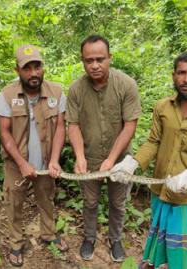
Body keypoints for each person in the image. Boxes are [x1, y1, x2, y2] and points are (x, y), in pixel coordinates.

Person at [111, 51, 187, 269]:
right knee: (159, 243)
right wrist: (133, 162)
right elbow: (153, 142)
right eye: (181, 73)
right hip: (161, 191)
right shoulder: (162, 107)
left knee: (183, 252)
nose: (186, 79)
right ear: (173, 75)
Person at [66, 35, 142, 262]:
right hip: (89, 156)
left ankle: (115, 239)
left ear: (110, 58)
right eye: (89, 60)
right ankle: (89, 237)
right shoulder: (76, 89)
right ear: (82, 61)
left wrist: (111, 159)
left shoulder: (126, 85)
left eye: (100, 59)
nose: (95, 65)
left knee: (118, 202)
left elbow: (130, 125)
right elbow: (73, 125)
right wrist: (79, 157)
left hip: (120, 158)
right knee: (89, 201)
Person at [0, 44, 68, 267]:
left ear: (42, 67)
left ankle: (49, 234)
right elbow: (4, 133)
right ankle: (16, 242)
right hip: (17, 164)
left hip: (45, 162)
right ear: (17, 70)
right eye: (27, 68)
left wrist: (54, 160)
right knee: (14, 203)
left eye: (37, 66)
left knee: (47, 199)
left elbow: (61, 127)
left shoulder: (57, 92)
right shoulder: (6, 96)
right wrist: (22, 163)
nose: (33, 73)